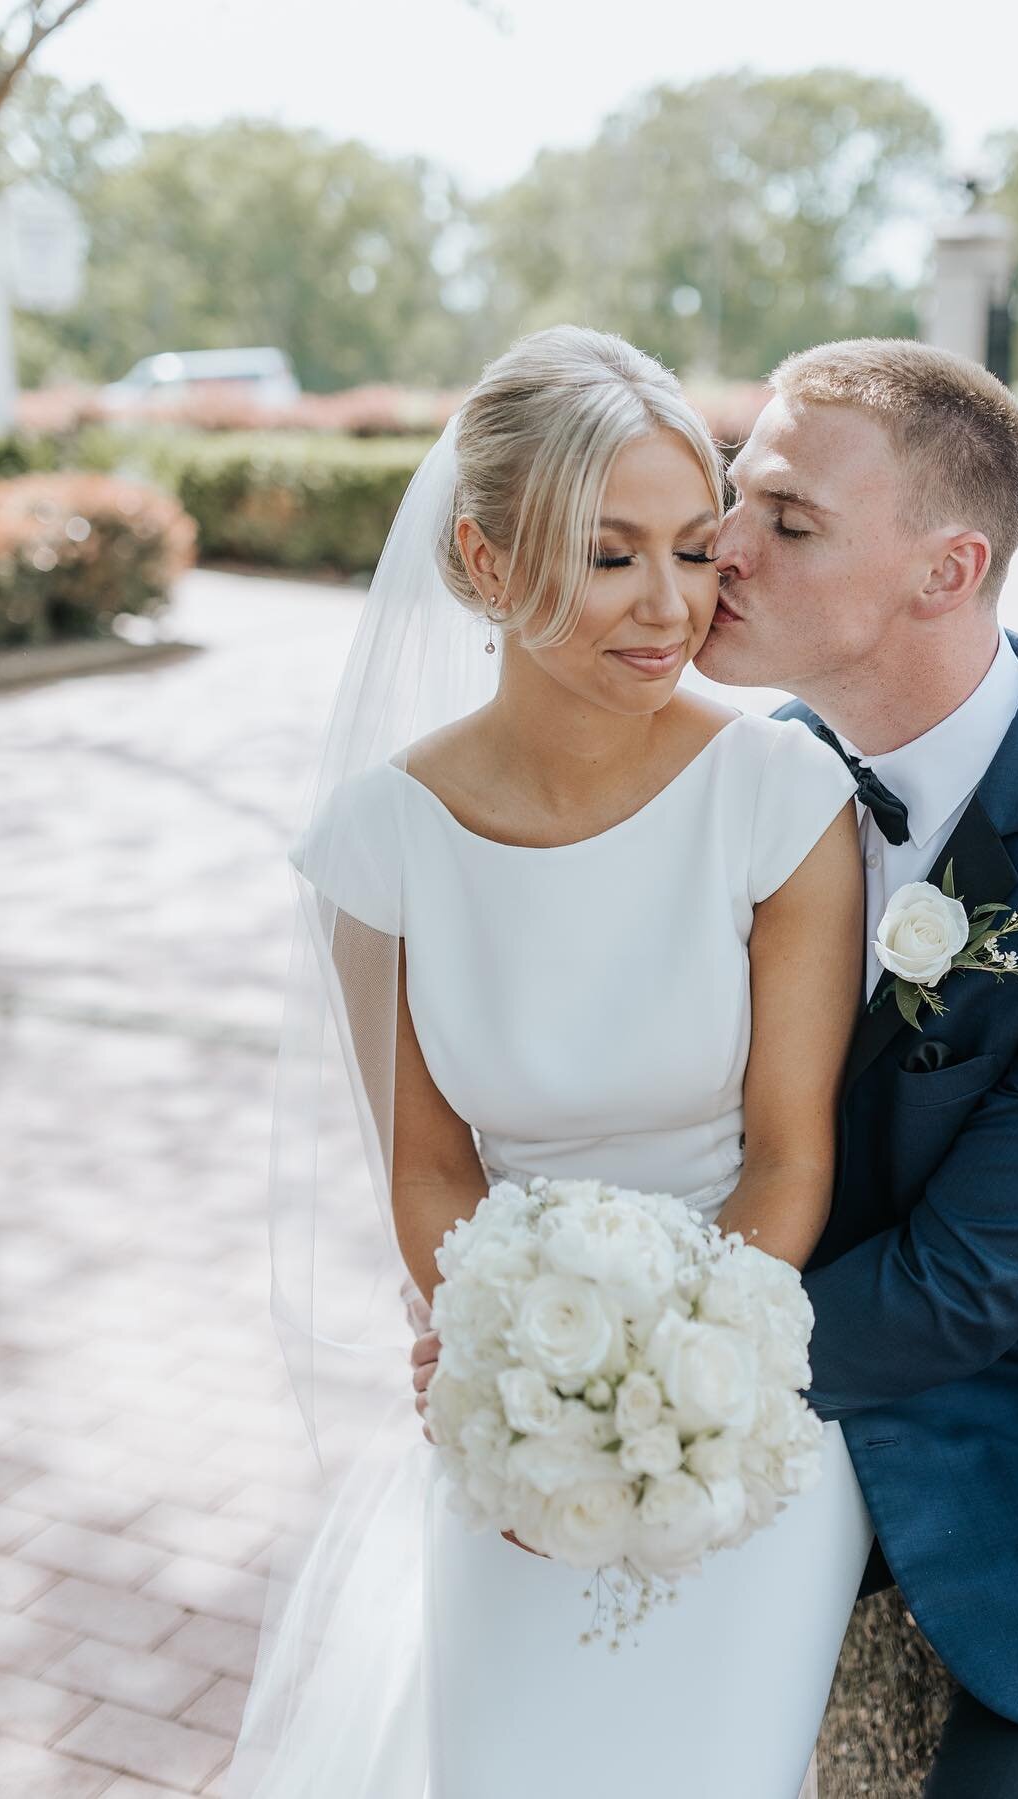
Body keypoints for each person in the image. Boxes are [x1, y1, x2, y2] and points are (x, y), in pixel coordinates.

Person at [410, 338, 1018, 1798]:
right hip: (782, 1400)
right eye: (738, 495)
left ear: (945, 572)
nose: (721, 546)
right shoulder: (757, 773)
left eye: (788, 522)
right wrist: (528, 1332)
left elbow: (963, 1290)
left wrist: (616, 1403)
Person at [226, 323, 877, 1799]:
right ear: (484, 561)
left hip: (749, 1404)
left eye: (694, 549)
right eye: (608, 557)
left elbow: (791, 1152)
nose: (671, 608)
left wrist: (673, 1392)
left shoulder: (776, 793)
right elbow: (429, 1161)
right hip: (516, 1413)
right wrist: (521, 1391)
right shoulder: (378, 844)